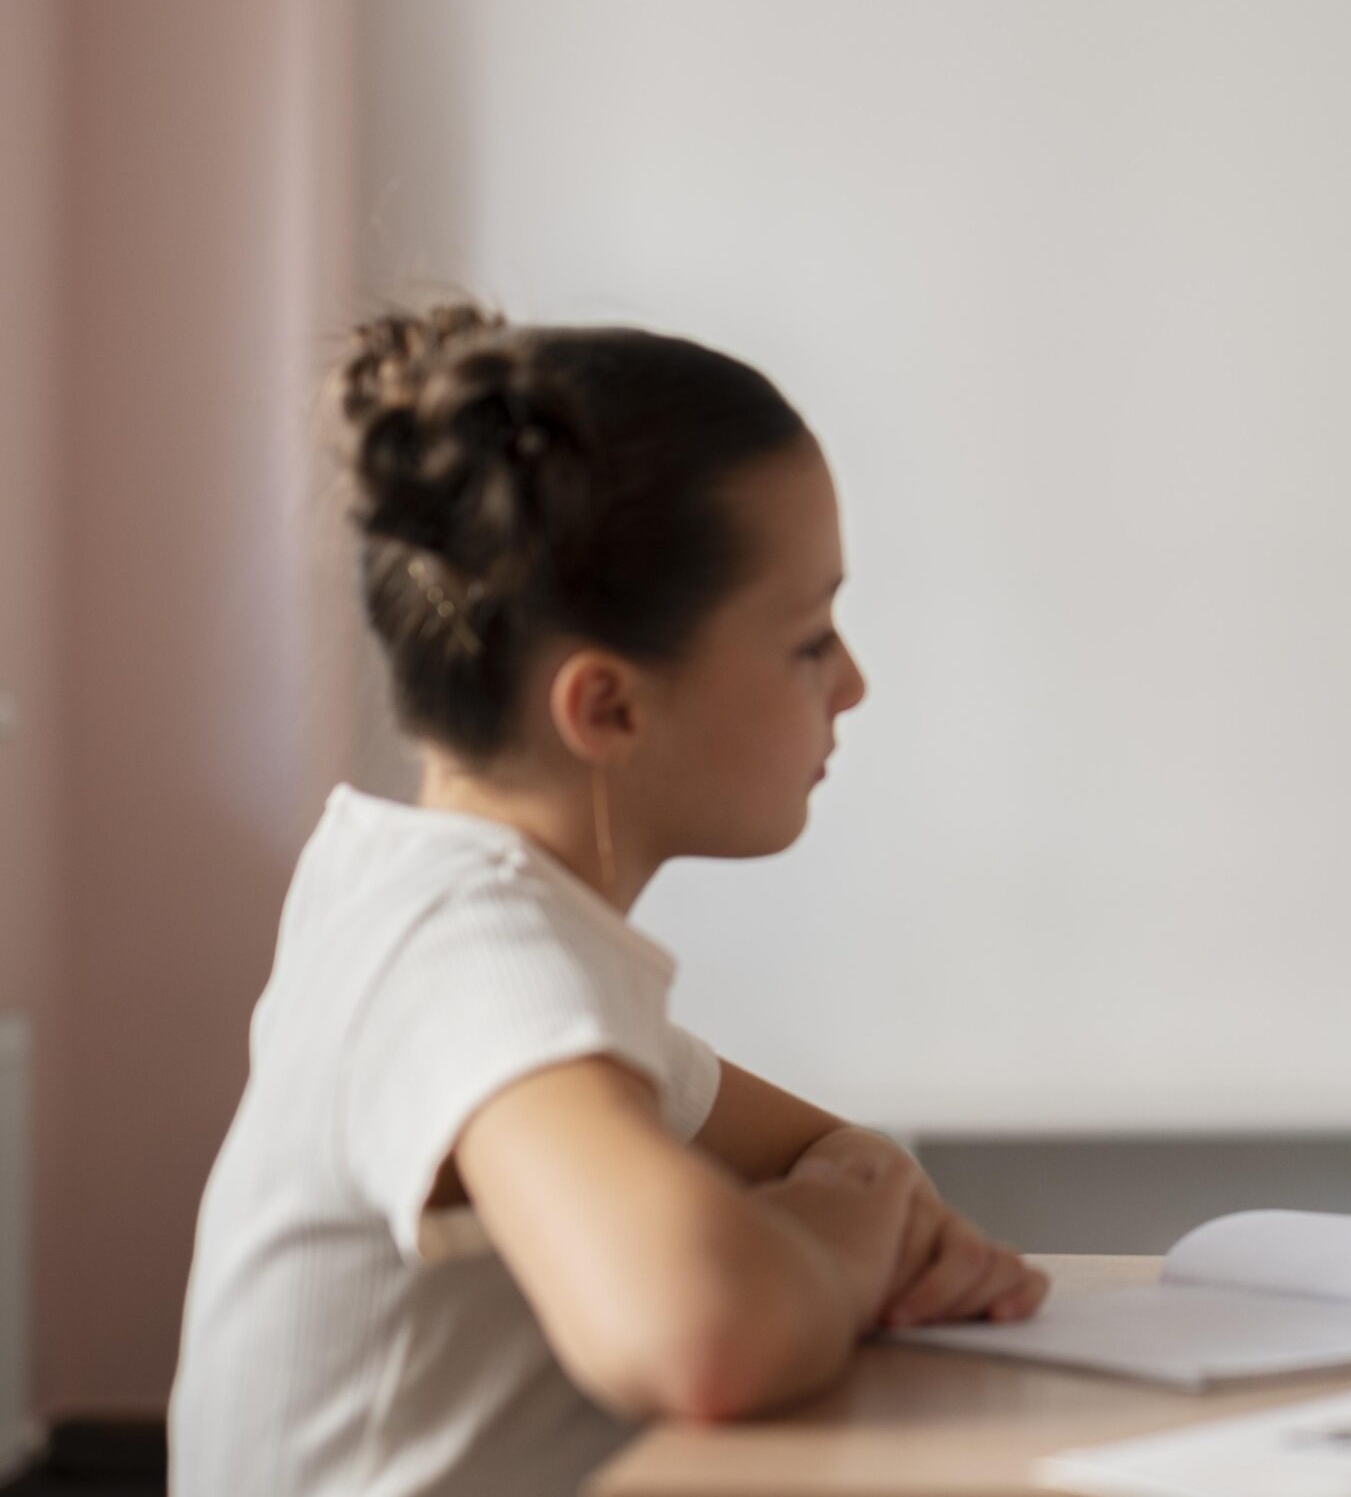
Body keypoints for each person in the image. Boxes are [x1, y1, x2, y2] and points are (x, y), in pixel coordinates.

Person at [171, 304, 1046, 1495]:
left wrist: (870, 1196)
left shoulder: (474, 921)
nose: (852, 683)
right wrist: (850, 1239)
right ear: (608, 709)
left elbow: (831, 1151)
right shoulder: (457, 952)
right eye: (806, 640)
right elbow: (700, 1331)